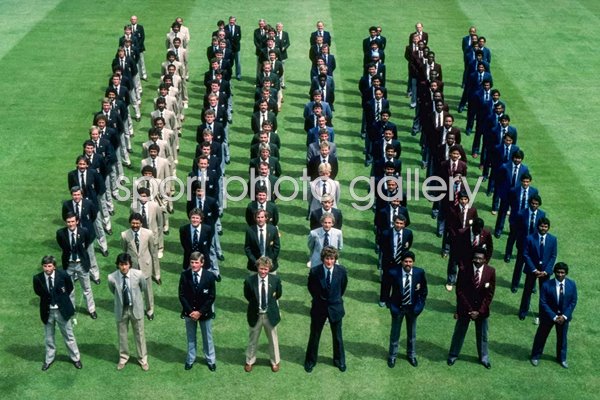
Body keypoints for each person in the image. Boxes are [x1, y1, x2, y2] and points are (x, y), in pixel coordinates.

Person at [447, 247, 496, 369]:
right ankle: (453, 355)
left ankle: (484, 358)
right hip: (465, 308)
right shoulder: (464, 270)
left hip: (482, 311)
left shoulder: (491, 271)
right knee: (459, 333)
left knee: (483, 335)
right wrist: (469, 309)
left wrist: (479, 311)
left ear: (485, 260)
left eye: (480, 258)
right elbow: (459, 291)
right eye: (476, 258)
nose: (477, 260)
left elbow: (489, 294)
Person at [33, 255, 82, 371]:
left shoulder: (63, 275)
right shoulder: (37, 278)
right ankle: (49, 359)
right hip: (47, 311)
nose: (47, 268)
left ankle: (76, 358)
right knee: (49, 337)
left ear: (54, 266)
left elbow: (69, 288)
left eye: (49, 266)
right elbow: (38, 292)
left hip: (62, 311)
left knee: (69, 335)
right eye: (45, 266)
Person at [304, 246, 348, 373]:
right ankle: (310, 361)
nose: (329, 261)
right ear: (323, 259)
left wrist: (334, 299)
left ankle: (339, 361)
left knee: (338, 336)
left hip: (335, 308)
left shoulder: (342, 271)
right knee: (314, 336)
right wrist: (319, 299)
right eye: (327, 258)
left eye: (332, 259)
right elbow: (311, 288)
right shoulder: (314, 271)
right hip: (319, 308)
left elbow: (342, 288)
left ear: (335, 259)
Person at [530, 262, 577, 368]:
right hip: (548, 317)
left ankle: (562, 358)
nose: (560, 275)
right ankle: (535, 356)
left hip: (564, 318)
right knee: (541, 336)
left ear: (566, 273)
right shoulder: (547, 285)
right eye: (558, 272)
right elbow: (543, 302)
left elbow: (573, 301)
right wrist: (554, 317)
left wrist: (564, 316)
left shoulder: (572, 284)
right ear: (554, 272)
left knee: (562, 338)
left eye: (562, 272)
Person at [108, 253, 149, 371]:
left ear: (130, 264)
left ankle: (143, 359)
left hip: (136, 308)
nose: (124, 267)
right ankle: (123, 358)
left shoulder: (139, 274)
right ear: (118, 265)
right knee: (122, 335)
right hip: (121, 310)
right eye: (121, 265)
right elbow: (113, 290)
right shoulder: (112, 278)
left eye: (126, 264)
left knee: (140, 335)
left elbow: (143, 287)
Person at [386, 251, 427, 368]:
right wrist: (391, 306)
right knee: (395, 334)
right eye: (405, 261)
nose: (408, 264)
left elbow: (423, 291)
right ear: (401, 262)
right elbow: (386, 290)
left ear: (413, 262)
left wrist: (419, 307)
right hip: (398, 308)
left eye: (410, 261)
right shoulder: (393, 273)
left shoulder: (419, 273)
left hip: (412, 309)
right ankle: (392, 356)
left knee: (412, 334)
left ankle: (411, 355)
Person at [178, 252, 217, 371]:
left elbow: (211, 297)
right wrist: (191, 312)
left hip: (204, 313)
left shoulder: (209, 276)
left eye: (196, 262)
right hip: (189, 314)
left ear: (202, 263)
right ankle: (190, 359)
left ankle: (211, 360)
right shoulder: (184, 275)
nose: (194, 265)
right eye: (192, 262)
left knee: (207, 338)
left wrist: (200, 312)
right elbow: (182, 295)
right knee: (191, 337)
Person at [243, 256, 282, 373]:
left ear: (269, 268)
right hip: (256, 314)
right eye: (261, 269)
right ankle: (250, 361)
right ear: (257, 268)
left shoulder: (275, 280)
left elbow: (278, 294)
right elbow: (248, 296)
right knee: (253, 339)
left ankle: (275, 361)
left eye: (266, 269)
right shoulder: (250, 281)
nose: (263, 271)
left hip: (270, 315)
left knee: (273, 339)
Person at [55, 212, 97, 319]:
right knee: (69, 289)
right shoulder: (61, 233)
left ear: (77, 222)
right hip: (68, 265)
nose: (70, 224)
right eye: (68, 222)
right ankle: (71, 308)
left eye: (73, 221)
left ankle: (91, 309)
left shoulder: (84, 232)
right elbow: (62, 246)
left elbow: (86, 244)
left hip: (81, 264)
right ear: (65, 222)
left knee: (87, 288)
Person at [120, 213, 158, 320]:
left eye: (137, 223)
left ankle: (150, 310)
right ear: (130, 223)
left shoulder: (148, 233)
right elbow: (124, 252)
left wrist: (156, 273)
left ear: (141, 223)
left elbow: (153, 252)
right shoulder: (124, 235)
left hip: (146, 266)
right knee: (134, 290)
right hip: (133, 269)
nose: (135, 225)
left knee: (148, 291)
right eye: (133, 223)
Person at [518, 217, 558, 320]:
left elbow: (553, 256)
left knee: (544, 294)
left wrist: (546, 271)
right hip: (532, 270)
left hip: (545, 272)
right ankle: (523, 311)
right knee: (527, 291)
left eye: (545, 226)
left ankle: (542, 313)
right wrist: (534, 269)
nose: (543, 228)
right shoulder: (529, 238)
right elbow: (526, 254)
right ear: (537, 226)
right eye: (541, 226)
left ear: (548, 227)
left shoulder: (553, 239)